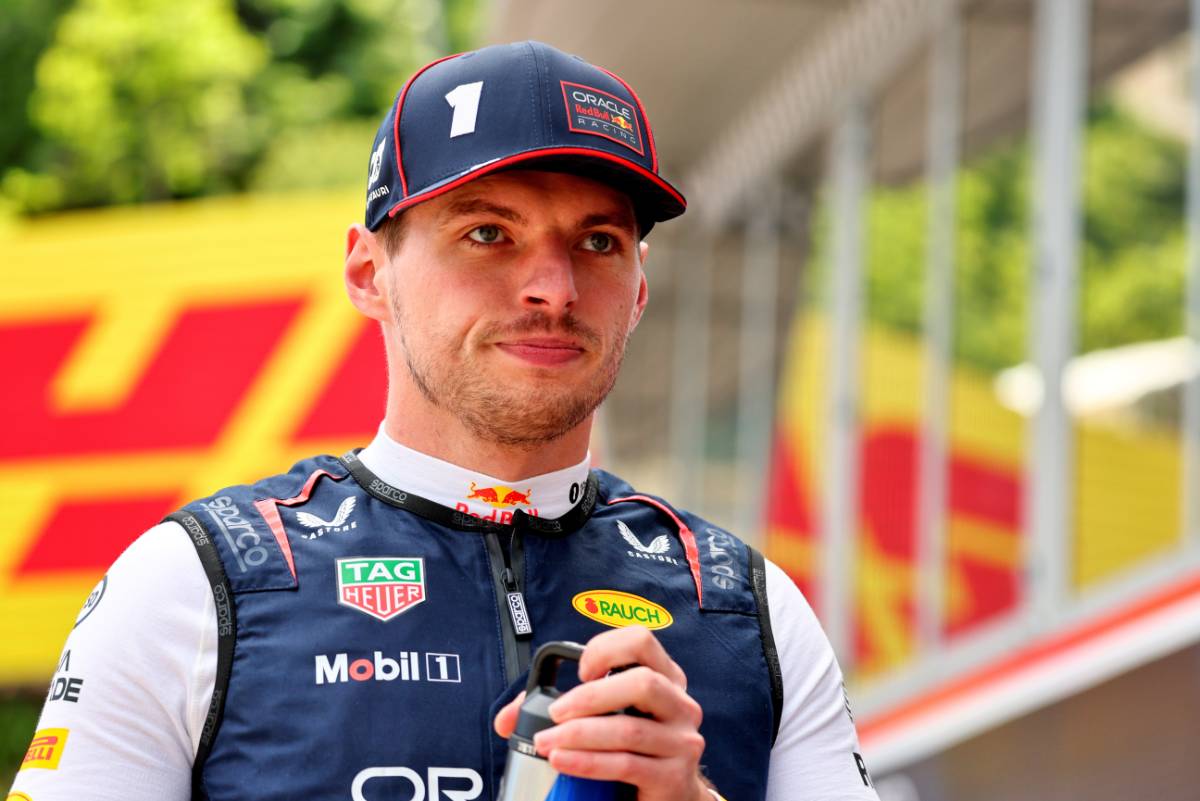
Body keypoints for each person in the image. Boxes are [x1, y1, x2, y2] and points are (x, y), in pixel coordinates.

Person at [10, 41, 879, 801]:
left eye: (598, 242)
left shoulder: (747, 604)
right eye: (488, 234)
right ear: (369, 272)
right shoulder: (196, 582)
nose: (553, 288)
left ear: (640, 289)